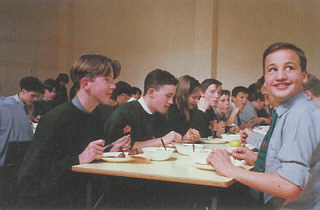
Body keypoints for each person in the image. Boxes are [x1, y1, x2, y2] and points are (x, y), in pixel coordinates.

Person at [207, 42, 320, 209]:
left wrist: (230, 169)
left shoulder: (301, 114)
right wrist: (259, 158)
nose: (280, 76)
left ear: (304, 75)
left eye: (289, 67)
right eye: (272, 69)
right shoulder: (289, 111)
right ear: (266, 79)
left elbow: (290, 186)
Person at [17, 54, 131, 208]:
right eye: (107, 80)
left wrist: (108, 152)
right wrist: (78, 159)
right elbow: (28, 182)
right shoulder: (56, 119)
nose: (113, 86)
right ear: (85, 83)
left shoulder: (97, 113)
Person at [104, 69, 183, 152]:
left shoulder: (160, 115)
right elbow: (116, 148)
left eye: (172, 97)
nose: (171, 102)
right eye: (168, 96)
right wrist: (162, 140)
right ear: (151, 92)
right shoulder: (124, 113)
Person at [0, 77, 43, 167]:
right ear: (23, 91)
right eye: (33, 96)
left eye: (37, 96)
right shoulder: (6, 106)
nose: (35, 99)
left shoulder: (28, 105)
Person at [155, 75, 201, 140]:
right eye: (194, 97)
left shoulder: (189, 109)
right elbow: (165, 136)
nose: (197, 101)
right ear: (183, 95)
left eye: (198, 97)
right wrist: (183, 137)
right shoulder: (170, 109)